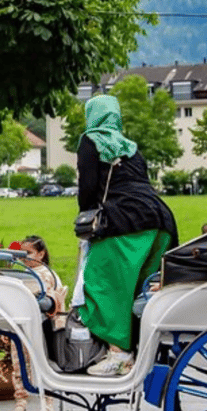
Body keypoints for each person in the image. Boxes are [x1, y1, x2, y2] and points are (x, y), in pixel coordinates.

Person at [74, 95, 178, 377]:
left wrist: (86, 221)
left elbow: (88, 187)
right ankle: (141, 349)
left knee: (101, 283)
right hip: (161, 222)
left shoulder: (91, 140)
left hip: (126, 221)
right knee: (139, 289)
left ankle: (119, 355)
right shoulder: (131, 147)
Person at [10, 235, 67, 411]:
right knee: (18, 363)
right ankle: (21, 403)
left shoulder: (45, 274)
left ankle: (47, 404)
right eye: (21, 253)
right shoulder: (22, 272)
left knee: (42, 364)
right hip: (22, 323)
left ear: (41, 254)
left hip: (43, 326)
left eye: (28, 253)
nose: (24, 257)